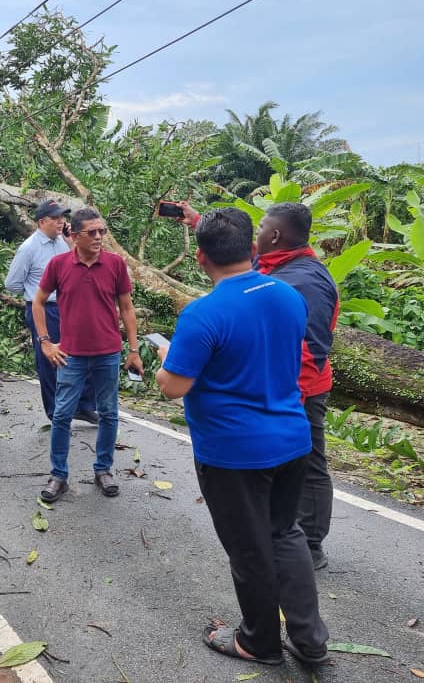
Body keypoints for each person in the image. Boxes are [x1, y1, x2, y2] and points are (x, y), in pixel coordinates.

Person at [156, 208, 329, 667]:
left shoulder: (203, 314)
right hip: (292, 438)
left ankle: (258, 642)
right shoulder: (288, 296)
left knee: (249, 549)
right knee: (285, 533)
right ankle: (310, 639)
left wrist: (167, 357)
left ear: (199, 257)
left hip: (234, 452)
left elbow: (174, 386)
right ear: (253, 249)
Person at [179, 201, 338, 569]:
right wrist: (199, 222)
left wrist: (279, 392)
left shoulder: (304, 281)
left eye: (262, 226)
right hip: (276, 388)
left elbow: (310, 349)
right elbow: (235, 260)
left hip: (299, 388)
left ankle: (311, 543)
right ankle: (283, 535)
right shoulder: (273, 266)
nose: (258, 232)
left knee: (310, 464)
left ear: (275, 236)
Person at [32, 207, 143, 503]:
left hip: (108, 352)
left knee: (108, 412)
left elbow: (127, 308)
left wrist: (133, 350)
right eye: (91, 233)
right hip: (71, 355)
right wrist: (46, 342)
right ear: (76, 235)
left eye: (101, 231)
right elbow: (38, 302)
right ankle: (59, 475)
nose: (98, 237)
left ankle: (103, 470)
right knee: (62, 414)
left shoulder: (115, 264)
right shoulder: (58, 265)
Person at [4, 200, 97, 424]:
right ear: (42, 222)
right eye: (56, 219)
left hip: (69, 306)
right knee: (50, 360)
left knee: (85, 354)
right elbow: (12, 283)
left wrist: (69, 241)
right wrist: (34, 293)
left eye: (62, 218)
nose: (61, 222)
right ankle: (57, 412)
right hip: (44, 310)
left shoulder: (62, 242)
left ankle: (84, 406)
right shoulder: (29, 248)